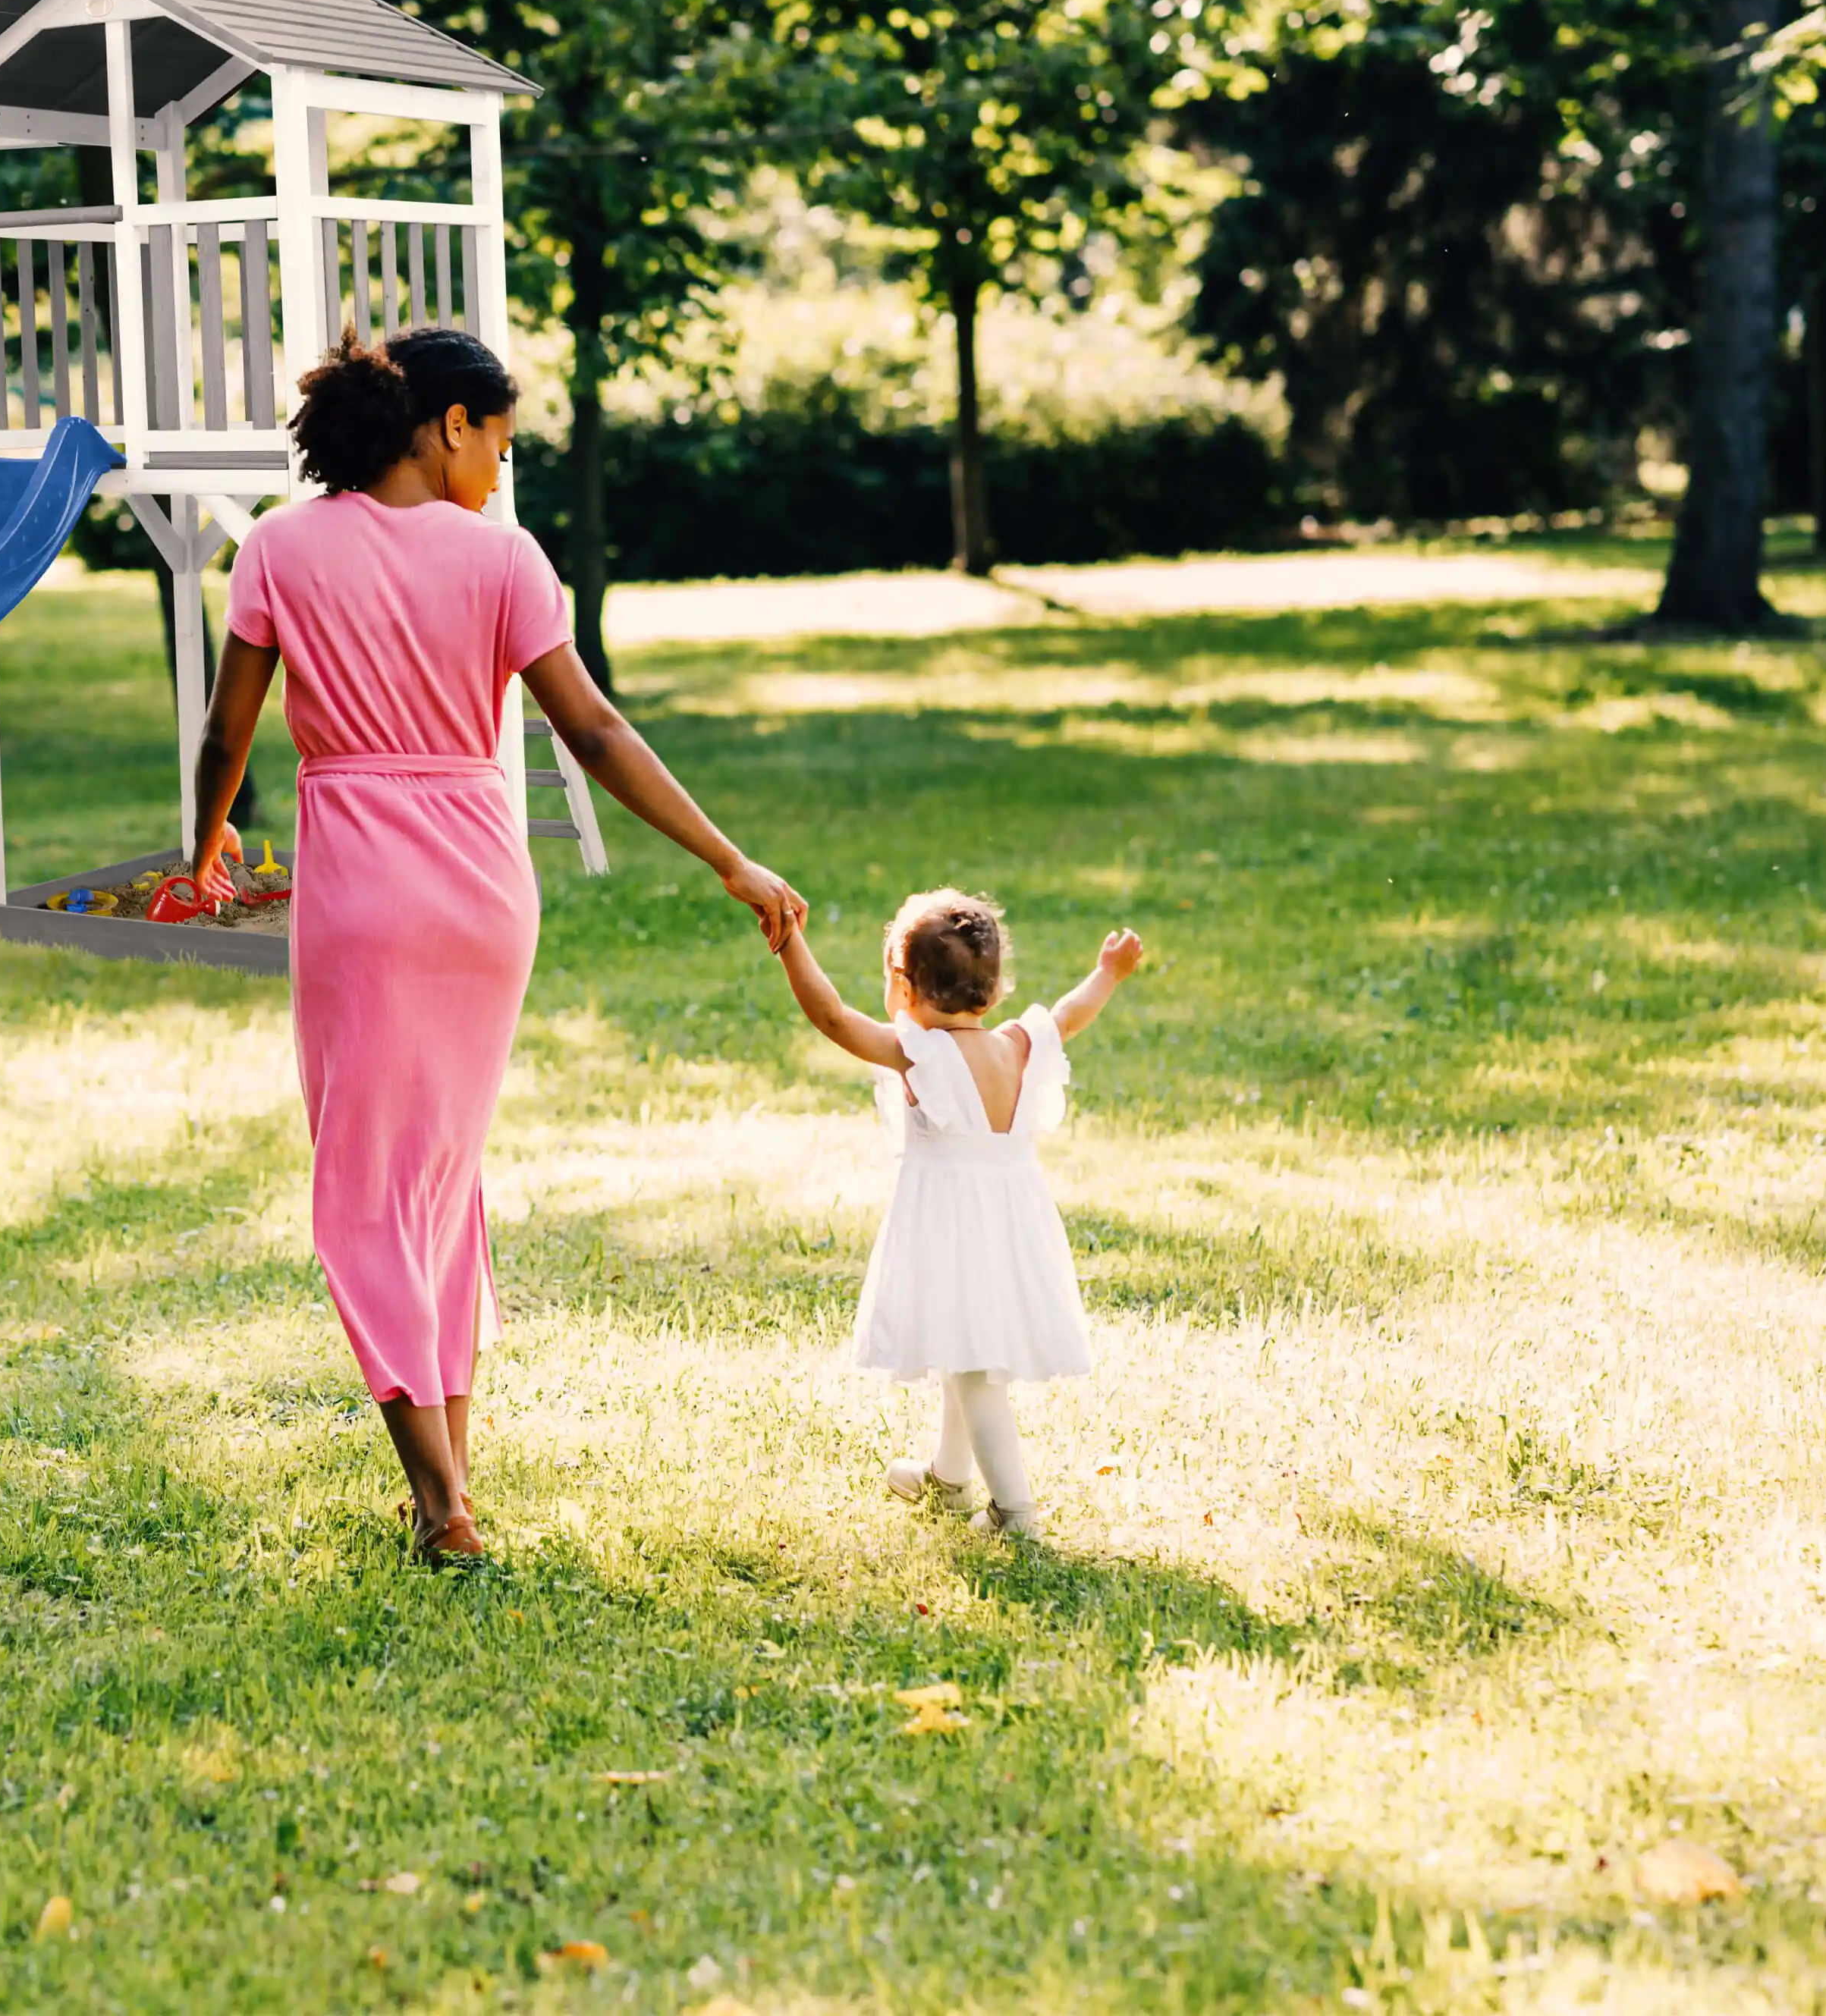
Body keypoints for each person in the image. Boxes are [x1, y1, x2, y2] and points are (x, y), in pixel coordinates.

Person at [186, 327, 806, 1565]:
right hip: (482, 888)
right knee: (439, 1180)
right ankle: (451, 1481)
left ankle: (439, 1501)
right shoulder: (504, 560)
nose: (501, 470)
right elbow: (595, 733)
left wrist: (201, 848)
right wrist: (728, 857)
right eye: (501, 443)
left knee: (367, 1189)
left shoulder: (278, 548)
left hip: (361, 888)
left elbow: (227, 733)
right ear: (448, 425)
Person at [769, 890, 1146, 1539]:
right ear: (994, 990)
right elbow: (1070, 1013)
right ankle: (948, 1478)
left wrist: (789, 941)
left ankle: (1014, 1511)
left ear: (904, 986)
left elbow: (831, 1017)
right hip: (1012, 1224)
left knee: (973, 1370)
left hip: (952, 1228)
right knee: (961, 1345)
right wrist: (1107, 973)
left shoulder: (921, 1056)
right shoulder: (1019, 1044)